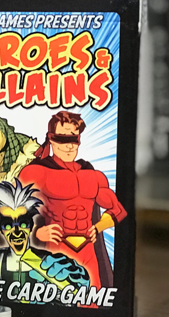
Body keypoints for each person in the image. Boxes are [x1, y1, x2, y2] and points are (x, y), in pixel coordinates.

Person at [19, 111, 126, 288]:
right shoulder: (36, 172)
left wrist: (99, 226)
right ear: (51, 139)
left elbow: (118, 210)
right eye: (63, 139)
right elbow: (13, 211)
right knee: (57, 298)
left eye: (74, 139)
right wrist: (37, 233)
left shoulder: (92, 175)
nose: (69, 146)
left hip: (88, 250)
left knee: (92, 299)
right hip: (55, 250)